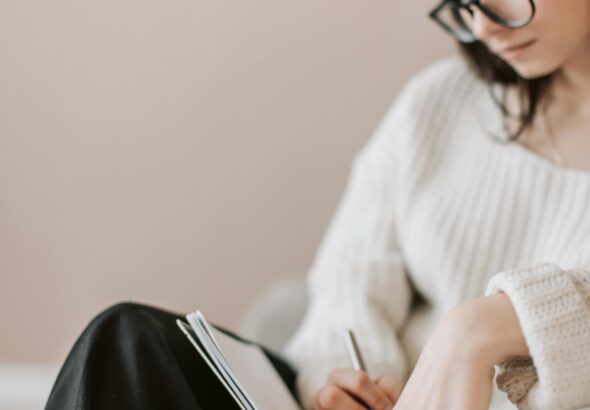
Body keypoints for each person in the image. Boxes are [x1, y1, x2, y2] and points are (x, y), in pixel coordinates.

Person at [46, 0, 590, 409]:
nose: (484, 26)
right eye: (465, 4)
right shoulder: (441, 102)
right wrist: (339, 383)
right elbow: (347, 281)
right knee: (126, 341)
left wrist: (484, 328)